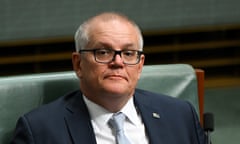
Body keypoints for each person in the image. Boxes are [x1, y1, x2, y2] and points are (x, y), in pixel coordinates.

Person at [11, 12, 205, 144]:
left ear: (140, 65)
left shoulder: (181, 115)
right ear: (78, 64)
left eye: (129, 53)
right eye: (103, 52)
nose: (118, 62)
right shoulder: (39, 130)